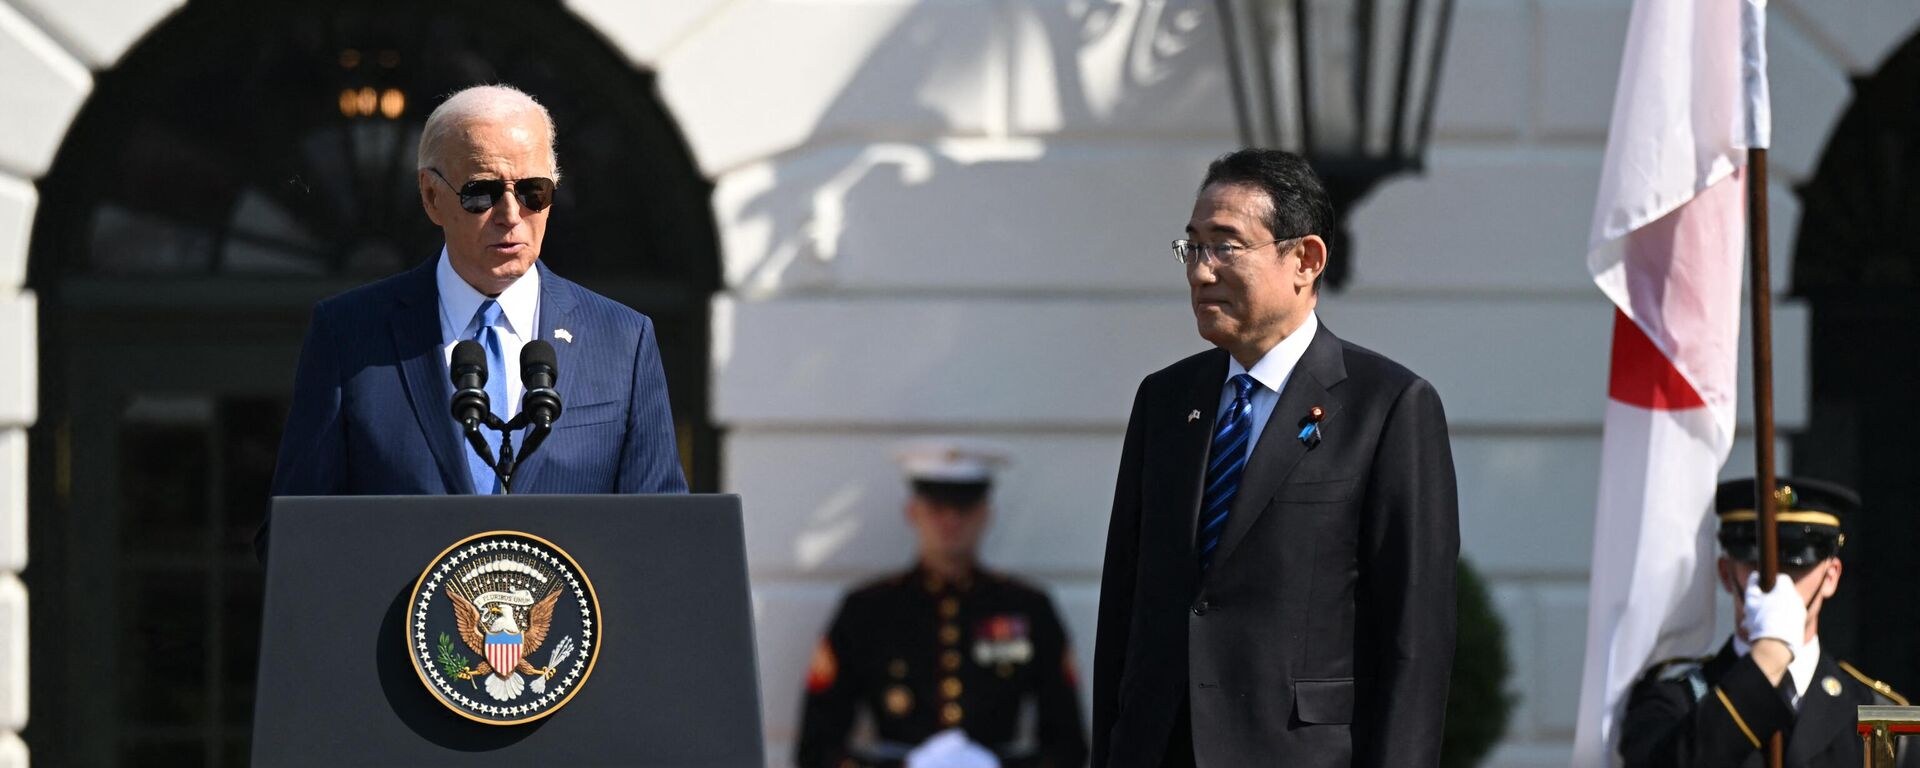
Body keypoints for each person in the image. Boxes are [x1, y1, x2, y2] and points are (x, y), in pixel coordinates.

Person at [1092, 148, 1459, 767]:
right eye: (1193, 248)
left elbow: (1413, 643)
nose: (1201, 272)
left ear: (1305, 260)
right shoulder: (1165, 401)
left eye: (1226, 246)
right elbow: (1123, 612)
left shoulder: (1388, 406)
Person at [268, 84, 685, 503]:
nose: (510, 215)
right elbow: (296, 537)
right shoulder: (348, 333)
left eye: (533, 192)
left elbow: (663, 532)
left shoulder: (622, 340)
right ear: (431, 197)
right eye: (481, 192)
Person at [796, 440, 1090, 768]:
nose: (950, 521)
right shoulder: (867, 610)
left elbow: (1068, 744)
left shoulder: (1028, 607)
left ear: (984, 515)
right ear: (913, 512)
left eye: (963, 509)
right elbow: (818, 746)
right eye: (937, 508)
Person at [1618, 477, 1913, 767]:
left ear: (1831, 576)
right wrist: (1765, 662)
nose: (1776, 581)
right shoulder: (1673, 703)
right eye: (1755, 563)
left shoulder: (1882, 718)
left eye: (1797, 563)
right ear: (1725, 573)